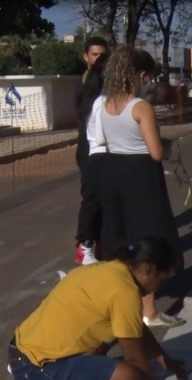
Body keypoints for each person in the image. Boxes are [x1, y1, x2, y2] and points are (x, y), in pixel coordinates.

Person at [9, 237, 187, 380]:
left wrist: (165, 360)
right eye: (162, 281)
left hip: (21, 352)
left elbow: (136, 329)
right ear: (149, 270)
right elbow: (133, 356)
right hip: (36, 370)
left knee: (139, 375)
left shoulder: (109, 269)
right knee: (129, 379)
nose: (157, 288)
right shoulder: (125, 291)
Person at [99, 46, 185, 329]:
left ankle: (123, 305)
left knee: (124, 240)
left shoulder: (105, 104)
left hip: (113, 173)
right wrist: (171, 148)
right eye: (147, 78)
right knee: (149, 238)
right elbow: (157, 152)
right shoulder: (140, 107)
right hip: (142, 177)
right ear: (141, 74)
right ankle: (150, 311)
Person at [74, 36, 109, 264]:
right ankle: (85, 244)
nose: (99, 58)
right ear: (86, 57)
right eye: (95, 54)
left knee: (106, 198)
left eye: (103, 55)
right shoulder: (88, 83)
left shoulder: (105, 82)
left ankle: (99, 241)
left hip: (103, 147)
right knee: (92, 198)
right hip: (90, 147)